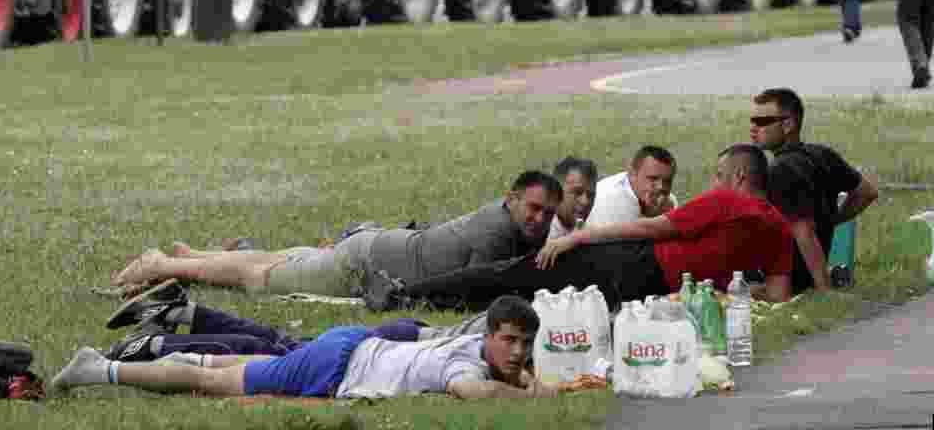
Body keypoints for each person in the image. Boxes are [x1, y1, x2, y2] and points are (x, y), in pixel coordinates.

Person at [388, 145, 793, 312]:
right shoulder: (779, 229)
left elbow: (650, 230)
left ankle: (406, 294)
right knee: (534, 295)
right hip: (656, 293)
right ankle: (426, 297)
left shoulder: (728, 201)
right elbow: (777, 293)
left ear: (740, 178)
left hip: (633, 263)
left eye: (720, 175)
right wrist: (722, 287)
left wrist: (578, 237)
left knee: (518, 275)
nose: (714, 183)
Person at [110, 171, 562, 300]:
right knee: (260, 276)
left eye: (548, 214)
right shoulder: (497, 231)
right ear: (512, 199)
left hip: (375, 246)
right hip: (366, 261)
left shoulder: (508, 220)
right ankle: (164, 265)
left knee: (289, 257)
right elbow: (473, 289)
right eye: (535, 208)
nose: (540, 219)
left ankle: (197, 255)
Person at [51, 295, 563, 400]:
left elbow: (503, 373)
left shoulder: (477, 343)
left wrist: (521, 376)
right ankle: (98, 371)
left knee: (267, 357)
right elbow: (468, 391)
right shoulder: (463, 361)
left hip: (352, 345)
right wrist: (533, 395)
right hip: (338, 367)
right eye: (510, 341)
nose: (517, 352)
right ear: (489, 335)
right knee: (215, 386)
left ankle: (186, 352)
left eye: (524, 344)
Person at [100, 279, 432, 363]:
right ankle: (153, 345)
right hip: (414, 345)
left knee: (286, 345)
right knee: (276, 354)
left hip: (410, 338)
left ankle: (175, 313)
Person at [749, 88, 879, 294]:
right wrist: (831, 221)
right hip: (804, 273)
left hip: (786, 279)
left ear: (788, 124)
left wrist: (824, 289)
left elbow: (804, 231)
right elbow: (867, 192)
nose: (753, 128)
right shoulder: (822, 155)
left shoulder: (779, 170)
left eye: (762, 122)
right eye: (752, 121)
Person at [584, 145, 678, 227]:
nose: (661, 187)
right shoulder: (612, 202)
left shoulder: (668, 201)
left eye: (667, 181)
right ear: (632, 174)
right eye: (653, 179)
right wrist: (658, 219)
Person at [547, 157, 598, 239]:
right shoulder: (538, 236)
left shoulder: (593, 234)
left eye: (591, 195)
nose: (585, 202)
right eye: (577, 192)